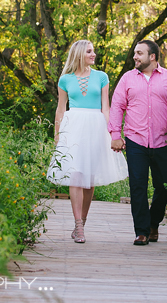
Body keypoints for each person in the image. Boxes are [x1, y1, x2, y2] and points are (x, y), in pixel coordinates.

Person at [107, 40, 167, 245]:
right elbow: (117, 106)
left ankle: (154, 223)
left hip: (163, 141)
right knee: (138, 187)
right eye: (135, 53)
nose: (135, 56)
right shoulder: (127, 79)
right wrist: (115, 135)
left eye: (139, 53)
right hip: (135, 141)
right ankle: (141, 232)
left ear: (152, 57)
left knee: (164, 187)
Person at [47, 40, 129, 243]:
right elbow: (60, 108)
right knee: (75, 174)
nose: (94, 54)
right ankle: (78, 225)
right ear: (79, 54)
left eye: (94, 51)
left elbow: (106, 108)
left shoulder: (102, 77)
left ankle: (83, 221)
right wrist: (57, 134)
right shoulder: (65, 79)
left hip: (96, 126)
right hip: (73, 127)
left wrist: (113, 134)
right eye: (90, 51)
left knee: (89, 178)